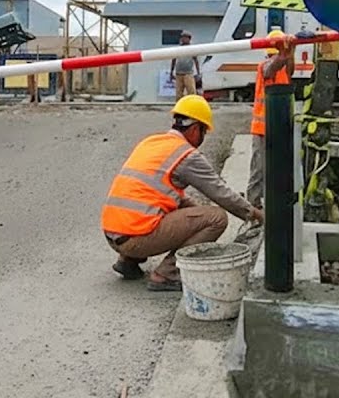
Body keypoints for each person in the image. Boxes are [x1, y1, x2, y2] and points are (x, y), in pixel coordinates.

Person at [101, 95, 265, 291]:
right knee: (216, 218)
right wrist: (255, 214)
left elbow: (161, 193)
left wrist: (196, 214)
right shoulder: (187, 155)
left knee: (171, 207)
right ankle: (167, 273)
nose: (203, 138)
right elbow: (220, 192)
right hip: (136, 237)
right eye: (204, 131)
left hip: (113, 233)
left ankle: (127, 261)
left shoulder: (152, 142)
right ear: (196, 129)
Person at [247, 29, 293, 210]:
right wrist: (284, 54)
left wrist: (291, 51)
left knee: (275, 167)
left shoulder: (284, 66)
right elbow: (270, 69)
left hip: (277, 127)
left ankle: (272, 202)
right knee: (259, 169)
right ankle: (253, 206)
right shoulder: (265, 66)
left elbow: (289, 68)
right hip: (262, 128)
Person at [170, 31, 200, 99]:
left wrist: (198, 73)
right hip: (178, 73)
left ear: (189, 39)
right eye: (182, 37)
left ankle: (192, 106)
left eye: (185, 37)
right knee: (179, 93)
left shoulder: (192, 49)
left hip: (188, 73)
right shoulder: (178, 49)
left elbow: (196, 61)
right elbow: (173, 60)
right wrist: (171, 72)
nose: (183, 39)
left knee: (191, 91)